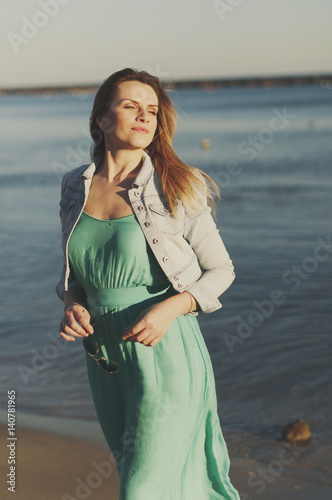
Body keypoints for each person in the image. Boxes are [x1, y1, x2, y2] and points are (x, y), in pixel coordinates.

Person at [56, 68, 240, 500]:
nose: (144, 117)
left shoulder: (177, 182)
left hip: (166, 349)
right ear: (101, 119)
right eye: (130, 106)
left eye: (152, 111)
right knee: (138, 474)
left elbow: (221, 270)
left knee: (144, 489)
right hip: (104, 357)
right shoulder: (73, 187)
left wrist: (172, 307)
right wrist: (73, 303)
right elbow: (72, 276)